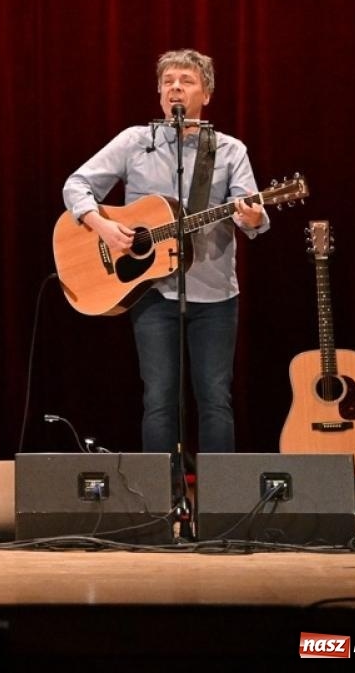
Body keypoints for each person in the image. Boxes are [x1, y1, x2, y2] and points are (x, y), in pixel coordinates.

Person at [62, 50, 268, 457]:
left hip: (215, 294)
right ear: (159, 92)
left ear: (206, 94)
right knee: (158, 399)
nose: (176, 87)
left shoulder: (228, 150)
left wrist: (253, 215)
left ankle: (217, 504)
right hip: (153, 293)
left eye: (187, 81)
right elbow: (76, 185)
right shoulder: (135, 142)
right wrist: (104, 226)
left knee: (214, 399)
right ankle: (158, 505)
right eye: (169, 81)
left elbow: (252, 218)